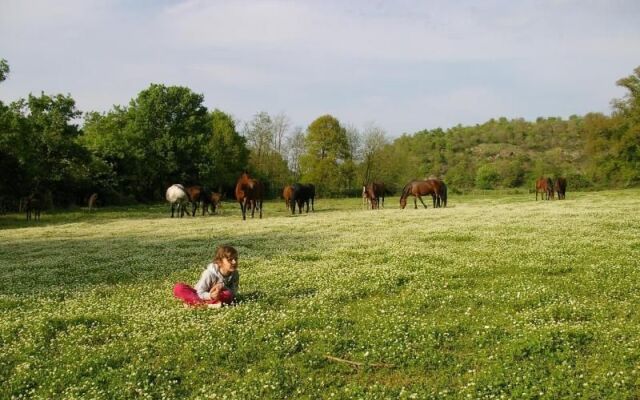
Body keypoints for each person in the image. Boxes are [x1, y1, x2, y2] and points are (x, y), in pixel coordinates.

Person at [173, 245, 239, 308]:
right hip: (199, 295)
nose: (234, 262)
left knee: (228, 295)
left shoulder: (235, 274)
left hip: (217, 297)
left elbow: (233, 293)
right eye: (230, 260)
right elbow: (199, 293)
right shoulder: (209, 273)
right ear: (220, 262)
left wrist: (222, 286)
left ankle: (195, 305)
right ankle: (206, 305)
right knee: (179, 287)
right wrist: (210, 296)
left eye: (235, 259)